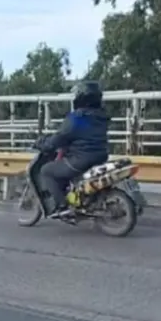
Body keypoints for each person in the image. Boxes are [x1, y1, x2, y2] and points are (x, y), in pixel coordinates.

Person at [37, 81, 110, 219]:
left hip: (80, 160)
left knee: (46, 171)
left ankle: (62, 206)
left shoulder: (77, 118)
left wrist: (44, 144)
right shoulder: (102, 117)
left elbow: (60, 137)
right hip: (100, 156)